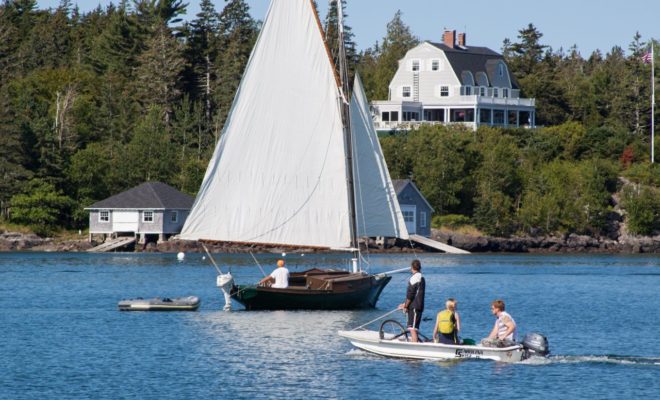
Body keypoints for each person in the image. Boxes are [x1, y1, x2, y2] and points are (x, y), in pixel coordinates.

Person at [398, 259, 425, 342]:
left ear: (412, 267)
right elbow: (414, 295)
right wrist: (405, 304)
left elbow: (410, 295)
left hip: (414, 307)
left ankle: (415, 347)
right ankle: (415, 343)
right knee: (414, 328)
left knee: (412, 329)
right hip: (418, 305)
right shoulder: (422, 277)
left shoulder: (414, 278)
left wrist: (405, 306)